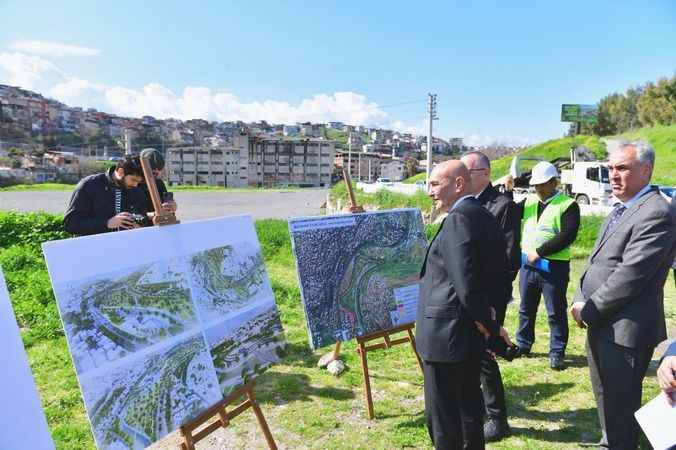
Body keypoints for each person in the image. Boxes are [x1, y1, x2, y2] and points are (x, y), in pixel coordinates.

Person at [570, 140, 676, 449]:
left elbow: (630, 275)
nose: (613, 176)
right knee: (607, 402)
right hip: (603, 323)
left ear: (646, 170)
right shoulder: (621, 207)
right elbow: (596, 261)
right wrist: (579, 297)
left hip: (625, 331)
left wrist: (588, 310)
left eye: (621, 168)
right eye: (610, 169)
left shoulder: (655, 211)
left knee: (620, 407)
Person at [416, 160, 512, 450]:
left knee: (444, 420)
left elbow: (466, 284)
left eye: (435, 184)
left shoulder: (459, 218)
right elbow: (499, 277)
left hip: (447, 336)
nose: (429, 191)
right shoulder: (481, 215)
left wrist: (490, 325)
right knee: (468, 410)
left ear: (458, 184)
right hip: (466, 333)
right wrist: (491, 322)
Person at [461, 151, 520, 442]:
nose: (461, 177)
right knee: (470, 351)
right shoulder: (464, 205)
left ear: (484, 173)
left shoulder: (502, 206)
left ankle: (497, 418)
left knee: (486, 353)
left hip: (488, 295)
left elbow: (510, 259)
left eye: (467, 172)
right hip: (467, 292)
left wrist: (491, 304)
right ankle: (478, 407)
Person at [515, 161, 580, 370]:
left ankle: (557, 351)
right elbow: (508, 214)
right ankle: (524, 344)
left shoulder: (568, 205)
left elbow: (567, 236)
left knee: (555, 311)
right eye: (535, 185)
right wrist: (508, 190)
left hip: (554, 267)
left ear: (554, 182)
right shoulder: (529, 202)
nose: (538, 189)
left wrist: (540, 252)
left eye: (542, 184)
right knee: (526, 307)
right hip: (528, 266)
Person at [64, 155, 150, 236]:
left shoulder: (137, 190)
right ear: (120, 172)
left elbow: (142, 216)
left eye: (138, 182)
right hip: (93, 247)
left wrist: (139, 226)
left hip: (126, 246)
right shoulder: (89, 185)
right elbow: (71, 224)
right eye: (133, 180)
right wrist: (107, 223)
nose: (135, 185)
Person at [136, 148, 177, 215]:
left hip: (157, 223)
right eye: (153, 173)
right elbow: (132, 214)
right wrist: (154, 214)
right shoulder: (133, 184)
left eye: (158, 173)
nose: (155, 176)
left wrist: (172, 207)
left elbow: (168, 208)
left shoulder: (159, 183)